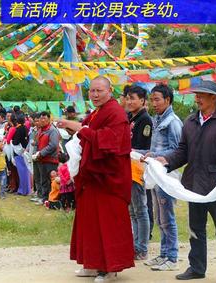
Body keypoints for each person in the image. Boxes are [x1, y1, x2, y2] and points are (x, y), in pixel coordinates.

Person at [151, 81, 216, 283]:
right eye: (196, 94)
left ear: (214, 98)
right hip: (194, 186)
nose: (197, 98)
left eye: (201, 95)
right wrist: (166, 161)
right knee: (195, 230)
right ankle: (197, 268)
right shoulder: (191, 121)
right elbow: (182, 151)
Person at [57, 76, 134, 282]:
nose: (95, 95)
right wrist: (72, 127)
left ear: (110, 91)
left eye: (99, 91)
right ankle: (91, 264)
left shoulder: (116, 112)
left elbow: (109, 141)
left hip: (108, 178)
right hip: (92, 177)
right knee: (89, 222)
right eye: (92, 91)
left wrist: (82, 130)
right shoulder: (97, 112)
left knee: (108, 224)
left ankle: (110, 269)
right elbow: (86, 131)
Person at [143, 83, 183, 271]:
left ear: (167, 100)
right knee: (159, 217)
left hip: (167, 175)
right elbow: (156, 147)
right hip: (156, 174)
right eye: (152, 100)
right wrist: (150, 155)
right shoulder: (157, 120)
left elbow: (178, 150)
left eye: (157, 99)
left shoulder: (173, 122)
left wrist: (161, 157)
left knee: (167, 216)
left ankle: (172, 257)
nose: (154, 103)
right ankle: (163, 254)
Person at [125, 85, 152, 262]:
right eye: (127, 98)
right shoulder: (129, 117)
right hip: (127, 167)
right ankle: (135, 245)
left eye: (132, 98)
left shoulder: (145, 120)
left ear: (142, 100)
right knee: (132, 210)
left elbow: (144, 147)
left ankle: (142, 248)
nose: (129, 101)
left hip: (137, 168)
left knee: (140, 209)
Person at [32, 112, 60, 205]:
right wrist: (36, 153)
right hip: (41, 159)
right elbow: (36, 142)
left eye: (44, 118)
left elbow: (53, 145)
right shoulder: (40, 130)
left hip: (50, 159)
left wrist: (41, 153)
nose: (42, 120)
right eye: (41, 118)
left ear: (49, 119)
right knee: (42, 179)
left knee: (50, 180)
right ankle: (43, 198)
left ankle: (51, 199)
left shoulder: (52, 130)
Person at [12, 114, 31, 196]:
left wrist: (12, 141)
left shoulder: (18, 129)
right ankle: (27, 189)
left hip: (19, 152)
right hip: (25, 151)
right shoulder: (26, 128)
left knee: (21, 172)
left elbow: (15, 142)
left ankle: (22, 190)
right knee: (26, 171)